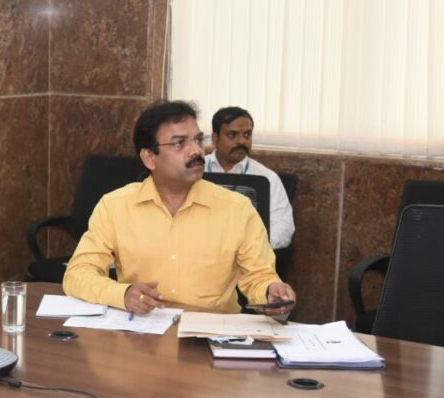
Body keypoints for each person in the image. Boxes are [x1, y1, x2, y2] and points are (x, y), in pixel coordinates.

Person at [62, 100, 296, 316]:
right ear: (149, 158)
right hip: (143, 331)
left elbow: (259, 276)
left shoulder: (237, 209)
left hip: (209, 333)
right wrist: (123, 294)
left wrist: (270, 290)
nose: (196, 151)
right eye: (179, 143)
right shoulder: (115, 206)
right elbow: (78, 274)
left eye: (198, 140)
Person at [205, 106, 295, 250]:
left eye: (247, 134)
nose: (242, 141)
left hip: (248, 254)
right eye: (232, 135)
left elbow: (283, 227)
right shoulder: (195, 171)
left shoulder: (267, 177)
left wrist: (253, 246)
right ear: (215, 139)